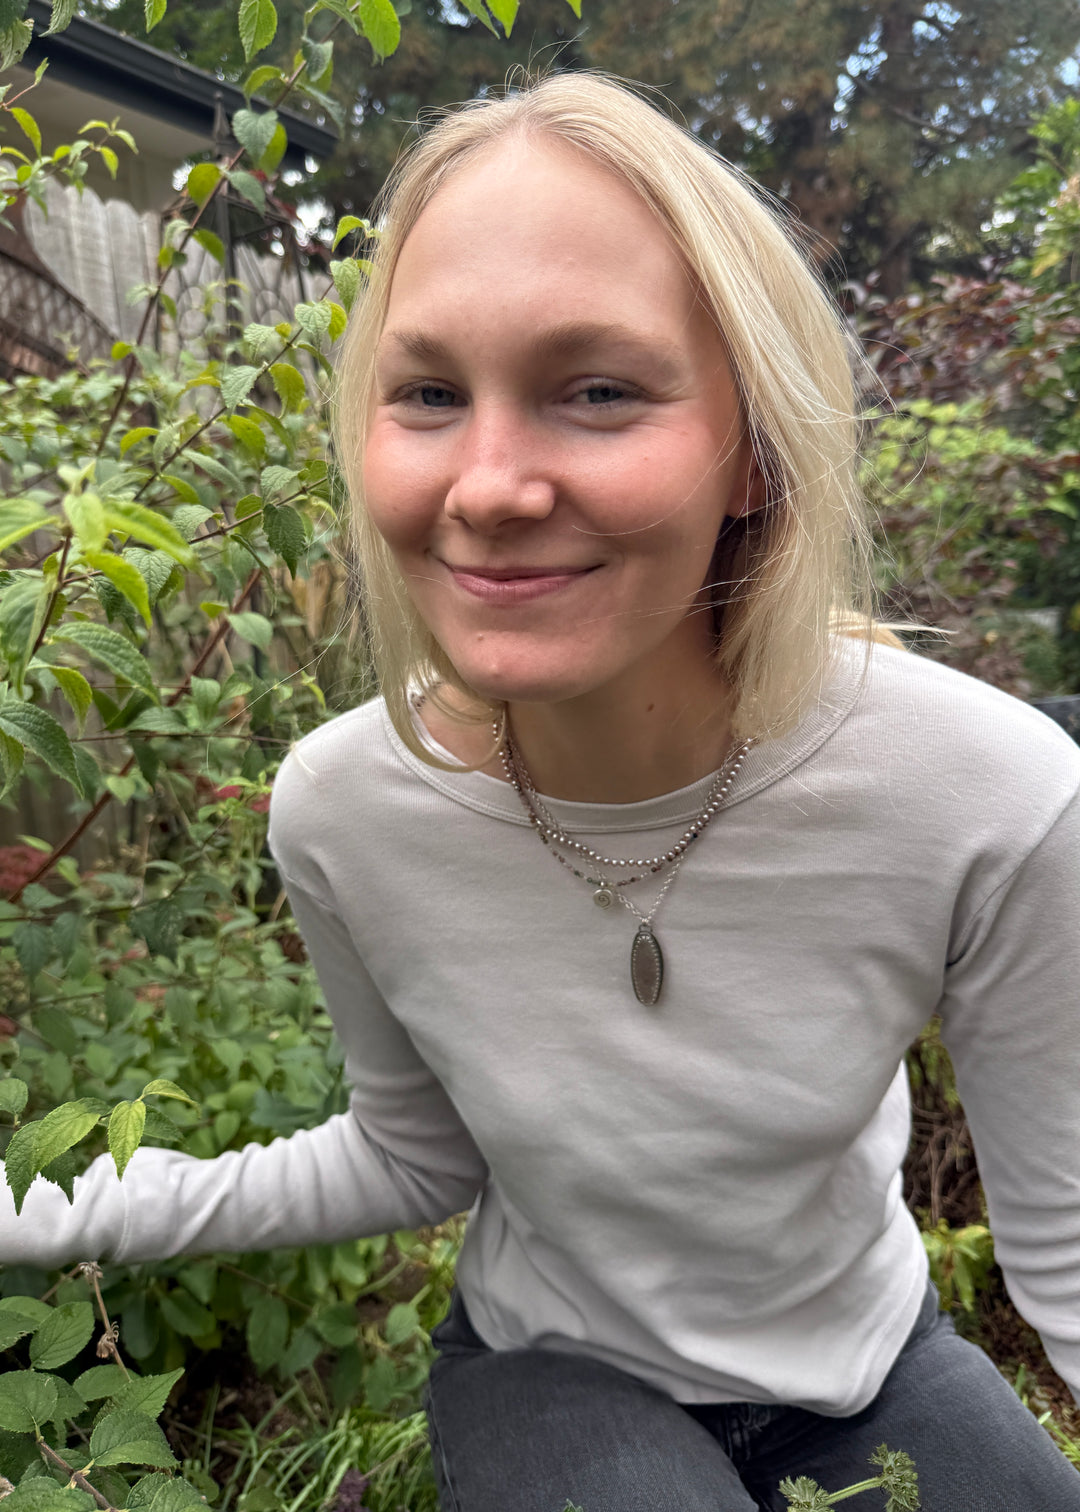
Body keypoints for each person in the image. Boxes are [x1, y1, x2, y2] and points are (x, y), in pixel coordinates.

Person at [3, 72, 1080, 1512]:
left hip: (867, 1361)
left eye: (598, 390)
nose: (491, 483)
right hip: (552, 1366)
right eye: (431, 392)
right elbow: (408, 1155)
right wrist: (37, 1216)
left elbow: (1063, 1246)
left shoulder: (986, 794)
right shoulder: (344, 811)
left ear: (755, 449)